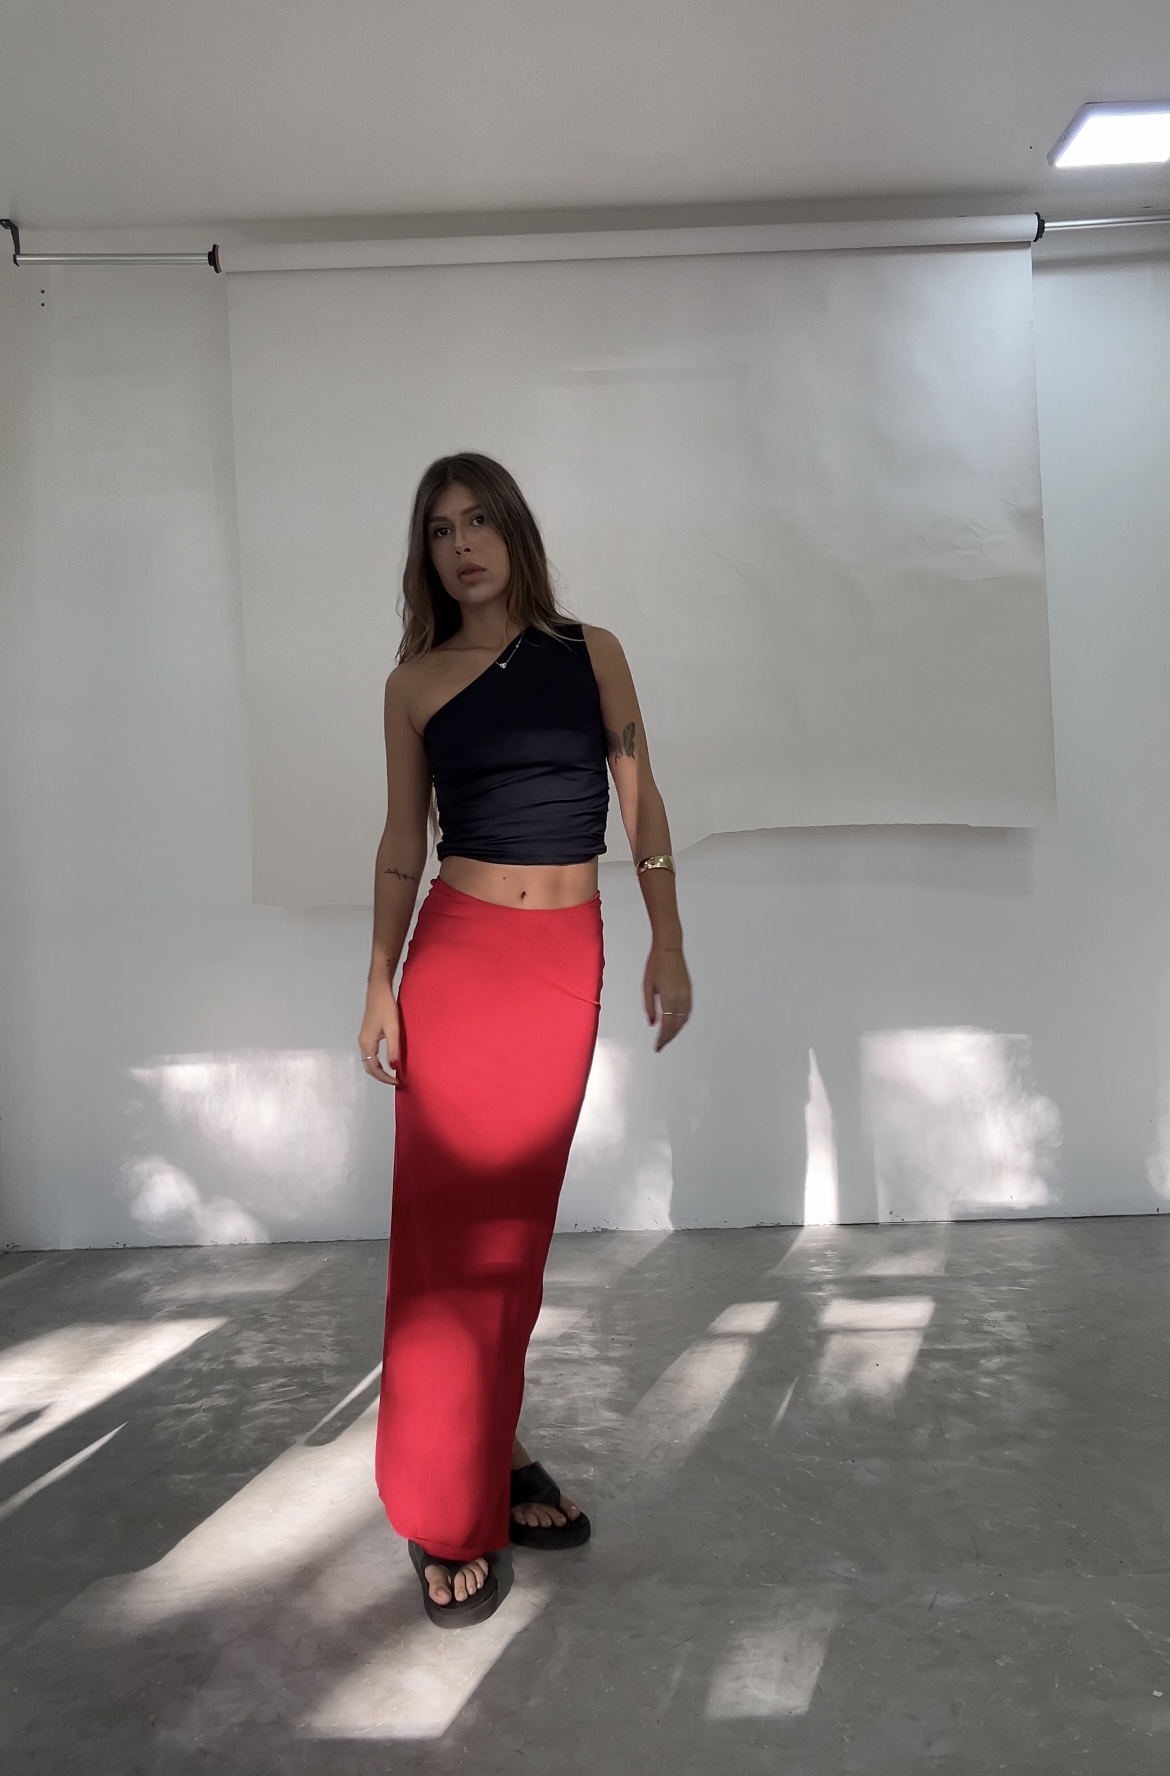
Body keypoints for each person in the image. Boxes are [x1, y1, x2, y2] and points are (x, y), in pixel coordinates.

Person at [358, 452, 692, 1628]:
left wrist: (669, 938)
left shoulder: (591, 653)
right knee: (446, 1248)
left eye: (479, 521)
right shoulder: (413, 684)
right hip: (455, 964)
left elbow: (641, 802)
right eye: (440, 529)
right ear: (427, 554)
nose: (462, 545)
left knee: (513, 1243)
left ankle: (489, 1449)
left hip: (560, 966)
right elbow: (402, 843)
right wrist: (379, 981)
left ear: (514, 532)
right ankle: (443, 1510)